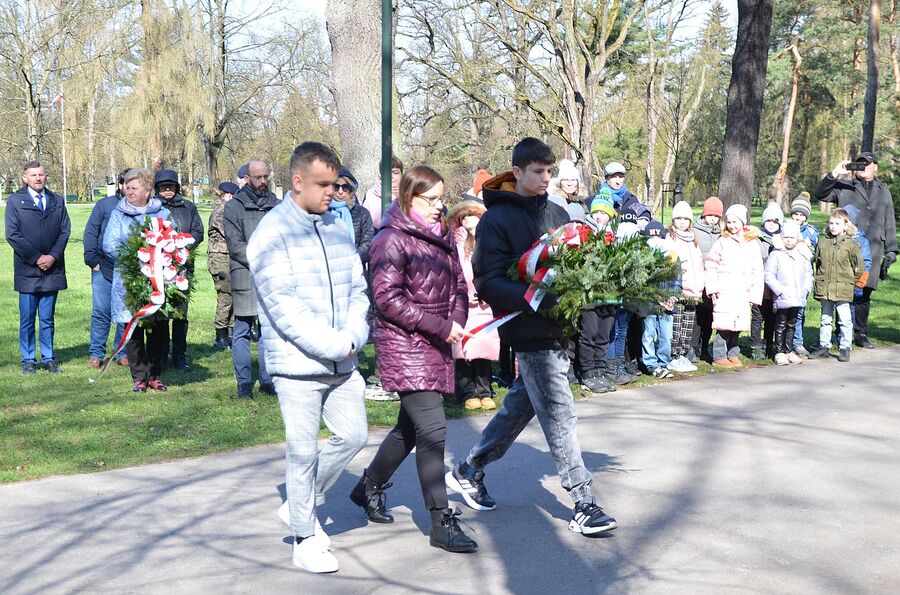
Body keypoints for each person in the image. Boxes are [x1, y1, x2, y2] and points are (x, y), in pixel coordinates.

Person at [446, 137, 618, 537]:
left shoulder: (557, 213)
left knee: (520, 407)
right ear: (517, 171)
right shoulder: (496, 220)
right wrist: (531, 297)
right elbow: (487, 280)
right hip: (527, 328)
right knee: (560, 413)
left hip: (559, 325)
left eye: (549, 172)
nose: (545, 178)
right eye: (538, 172)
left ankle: (470, 469)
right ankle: (584, 503)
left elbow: (575, 265)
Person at [246, 142, 369, 574]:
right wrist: (335, 344)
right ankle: (303, 538)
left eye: (336, 184)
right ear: (297, 182)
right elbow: (285, 309)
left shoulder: (337, 224)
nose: (333, 193)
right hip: (297, 365)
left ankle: (302, 502)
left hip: (343, 360)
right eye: (323, 185)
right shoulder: (271, 234)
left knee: (354, 435)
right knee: (302, 452)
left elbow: (358, 288)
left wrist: (354, 335)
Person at [352, 165, 477, 554]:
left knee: (410, 429)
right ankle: (440, 522)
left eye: (442, 197)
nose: (440, 205)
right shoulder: (389, 239)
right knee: (434, 431)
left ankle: (368, 486)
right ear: (409, 197)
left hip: (436, 342)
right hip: (404, 346)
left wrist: (456, 321)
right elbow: (387, 300)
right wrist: (441, 326)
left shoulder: (442, 234)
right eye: (431, 199)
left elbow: (459, 285)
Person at [813, 152, 897, 349]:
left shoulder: (884, 192)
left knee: (865, 291)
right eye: (859, 164)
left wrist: (892, 250)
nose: (862, 167)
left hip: (873, 247)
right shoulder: (845, 187)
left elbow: (889, 220)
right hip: (846, 247)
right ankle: (840, 333)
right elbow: (820, 194)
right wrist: (835, 173)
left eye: (866, 164)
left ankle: (861, 333)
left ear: (875, 167)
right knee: (842, 290)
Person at [102, 169, 172, 392]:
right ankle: (139, 377)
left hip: (158, 279)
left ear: (147, 191)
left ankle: (155, 375)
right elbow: (109, 245)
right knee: (133, 327)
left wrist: (159, 258)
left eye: (134, 188)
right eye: (127, 188)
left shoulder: (163, 213)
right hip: (130, 279)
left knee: (158, 328)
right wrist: (138, 256)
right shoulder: (118, 214)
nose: (128, 192)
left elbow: (173, 239)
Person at [5, 160, 71, 374]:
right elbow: (12, 234)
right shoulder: (15, 201)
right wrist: (36, 258)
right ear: (25, 178)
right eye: (33, 175)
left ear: (45, 176)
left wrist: (52, 256)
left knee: (47, 318)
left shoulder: (57, 200)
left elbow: (64, 231)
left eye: (41, 174)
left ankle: (48, 358)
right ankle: (28, 359)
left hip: (52, 269)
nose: (38, 178)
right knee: (27, 318)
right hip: (27, 270)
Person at [224, 160, 279, 398]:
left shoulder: (277, 205)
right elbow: (234, 244)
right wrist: (259, 259)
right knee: (242, 329)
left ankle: (268, 379)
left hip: (272, 275)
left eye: (266, 176)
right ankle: (244, 382)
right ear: (247, 178)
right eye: (258, 177)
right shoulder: (233, 207)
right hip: (244, 272)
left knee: (268, 329)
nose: (263, 181)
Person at [448, 200, 500, 411]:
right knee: (461, 348)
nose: (467, 219)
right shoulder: (454, 243)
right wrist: (461, 295)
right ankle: (467, 392)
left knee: (483, 346)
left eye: (472, 215)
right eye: (464, 216)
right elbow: (451, 274)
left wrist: (487, 294)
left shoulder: (488, 242)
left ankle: (484, 390)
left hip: (484, 304)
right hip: (461, 303)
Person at [154, 170, 204, 370]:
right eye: (163, 186)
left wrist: (181, 248)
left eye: (171, 186)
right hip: (158, 267)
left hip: (182, 267)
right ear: (157, 188)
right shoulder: (153, 207)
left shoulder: (188, 207)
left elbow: (198, 231)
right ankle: (160, 355)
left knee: (180, 314)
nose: (167, 189)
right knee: (160, 313)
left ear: (177, 187)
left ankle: (179, 356)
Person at [705, 204, 764, 368]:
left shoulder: (752, 243)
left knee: (737, 324)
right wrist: (713, 287)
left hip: (742, 290)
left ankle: (733, 353)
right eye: (729, 222)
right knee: (724, 324)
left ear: (743, 222)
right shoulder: (722, 241)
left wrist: (754, 294)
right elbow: (711, 264)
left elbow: (757, 269)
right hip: (725, 289)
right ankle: (719, 355)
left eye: (735, 222)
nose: (731, 225)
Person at [83, 169, 130, 368]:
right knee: (101, 312)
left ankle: (122, 352)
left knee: (126, 313)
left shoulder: (141, 207)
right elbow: (91, 233)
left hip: (129, 269)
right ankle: (96, 354)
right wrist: (92, 260)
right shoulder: (104, 205)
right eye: (126, 184)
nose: (129, 189)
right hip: (103, 268)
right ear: (120, 184)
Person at [577, 189, 618, 393]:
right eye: (596, 212)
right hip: (591, 294)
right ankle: (587, 371)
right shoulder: (585, 233)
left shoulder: (615, 236)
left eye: (604, 212)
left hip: (610, 294)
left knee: (603, 334)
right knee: (590, 333)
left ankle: (600, 370)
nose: (600, 216)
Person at [809, 209, 863, 362]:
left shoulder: (851, 244)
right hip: (825, 287)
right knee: (825, 319)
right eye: (831, 223)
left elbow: (859, 267)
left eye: (837, 224)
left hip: (843, 288)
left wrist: (849, 281)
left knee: (845, 320)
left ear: (846, 225)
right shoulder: (823, 242)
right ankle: (824, 346)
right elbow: (818, 262)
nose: (833, 226)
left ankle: (845, 347)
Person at [764, 219, 813, 365]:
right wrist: (780, 291)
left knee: (792, 324)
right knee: (781, 324)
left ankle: (789, 350)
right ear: (781, 237)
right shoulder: (776, 254)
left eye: (792, 237)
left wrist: (805, 289)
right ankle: (779, 351)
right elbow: (769, 275)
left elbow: (808, 274)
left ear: (797, 238)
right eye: (786, 237)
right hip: (783, 297)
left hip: (798, 296)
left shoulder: (802, 254)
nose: (789, 240)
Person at [666, 201, 704, 374]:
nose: (682, 222)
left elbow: (700, 265)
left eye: (686, 219)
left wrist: (700, 285)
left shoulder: (693, 240)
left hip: (693, 290)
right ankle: (673, 355)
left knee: (688, 326)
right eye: (679, 218)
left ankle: (683, 353)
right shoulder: (670, 238)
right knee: (676, 325)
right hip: (679, 290)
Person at [692, 196, 724, 362]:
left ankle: (705, 347)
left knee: (710, 318)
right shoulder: (695, 231)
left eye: (716, 216)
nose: (713, 219)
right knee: (698, 317)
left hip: (714, 282)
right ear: (704, 215)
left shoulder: (721, 234)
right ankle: (694, 347)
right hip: (699, 280)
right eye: (710, 215)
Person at [751, 203, 784, 360]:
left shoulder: (783, 240)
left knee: (772, 317)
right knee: (758, 317)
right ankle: (756, 346)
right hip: (759, 285)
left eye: (775, 221)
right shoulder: (756, 240)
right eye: (768, 221)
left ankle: (769, 344)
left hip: (775, 287)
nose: (771, 224)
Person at [788, 192, 819, 357]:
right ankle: (783, 342)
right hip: (787, 276)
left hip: (803, 276)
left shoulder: (812, 233)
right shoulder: (785, 227)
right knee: (785, 310)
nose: (798, 217)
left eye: (801, 214)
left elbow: (816, 254)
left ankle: (797, 342)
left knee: (800, 310)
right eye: (796, 214)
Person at [208, 182, 237, 350]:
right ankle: (221, 335)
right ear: (229, 195)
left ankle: (230, 333)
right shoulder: (221, 210)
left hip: (228, 256)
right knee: (225, 296)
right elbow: (230, 233)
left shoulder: (225, 209)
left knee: (232, 295)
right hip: (220, 258)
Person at [329, 166, 374, 270]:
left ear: (351, 189)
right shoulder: (323, 211)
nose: (340, 191)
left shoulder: (362, 213)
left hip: (356, 270)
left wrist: (351, 261)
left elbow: (368, 243)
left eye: (345, 187)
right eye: (336, 186)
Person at [361, 154, 403, 228]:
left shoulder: (409, 195)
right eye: (387, 173)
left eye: (395, 173)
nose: (391, 176)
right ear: (381, 175)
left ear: (402, 174)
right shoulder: (370, 196)